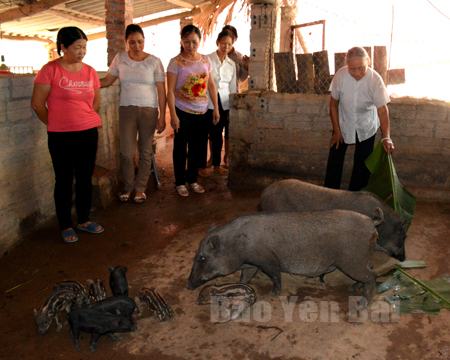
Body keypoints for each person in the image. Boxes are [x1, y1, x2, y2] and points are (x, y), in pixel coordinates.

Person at [31, 27, 104, 243]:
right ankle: (65, 224)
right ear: (63, 47)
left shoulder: (90, 71)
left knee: (84, 177)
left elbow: (95, 101)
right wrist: (56, 123)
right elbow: (37, 104)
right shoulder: (50, 70)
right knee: (63, 179)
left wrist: (85, 118)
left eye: (84, 47)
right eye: (77, 47)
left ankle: (83, 219)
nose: (82, 52)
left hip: (88, 132)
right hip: (61, 135)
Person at [100, 24, 166, 204]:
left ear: (144, 41)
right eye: (132, 42)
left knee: (145, 151)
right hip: (127, 109)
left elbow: (161, 90)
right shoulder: (120, 59)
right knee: (126, 153)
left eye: (140, 42)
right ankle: (128, 186)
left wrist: (162, 116)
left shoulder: (154, 61)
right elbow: (107, 80)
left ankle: (140, 188)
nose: (136, 46)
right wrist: (85, 83)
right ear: (126, 42)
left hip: (149, 110)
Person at [324, 46, 395, 191]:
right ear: (347, 66)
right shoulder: (341, 75)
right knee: (334, 162)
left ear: (368, 61)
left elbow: (382, 110)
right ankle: (329, 193)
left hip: (366, 126)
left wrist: (386, 137)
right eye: (352, 69)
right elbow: (333, 104)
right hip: (343, 123)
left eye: (361, 68)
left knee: (362, 165)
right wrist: (337, 132)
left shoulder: (375, 80)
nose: (357, 73)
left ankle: (355, 198)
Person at [167, 25, 220, 197]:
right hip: (182, 111)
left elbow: (211, 85)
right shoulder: (175, 62)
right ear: (181, 41)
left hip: (203, 111)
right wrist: (173, 115)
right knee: (181, 147)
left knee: (197, 147)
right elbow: (170, 90)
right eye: (187, 42)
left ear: (200, 41)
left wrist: (216, 108)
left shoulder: (205, 60)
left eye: (194, 42)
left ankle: (192, 179)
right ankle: (179, 182)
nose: (191, 45)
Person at [198, 30, 237, 177]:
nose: (226, 47)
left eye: (229, 44)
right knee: (202, 134)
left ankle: (216, 165)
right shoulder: (206, 59)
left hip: (224, 104)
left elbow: (232, 87)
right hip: (206, 102)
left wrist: (231, 108)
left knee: (217, 135)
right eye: (223, 43)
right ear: (217, 43)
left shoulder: (232, 64)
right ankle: (200, 166)